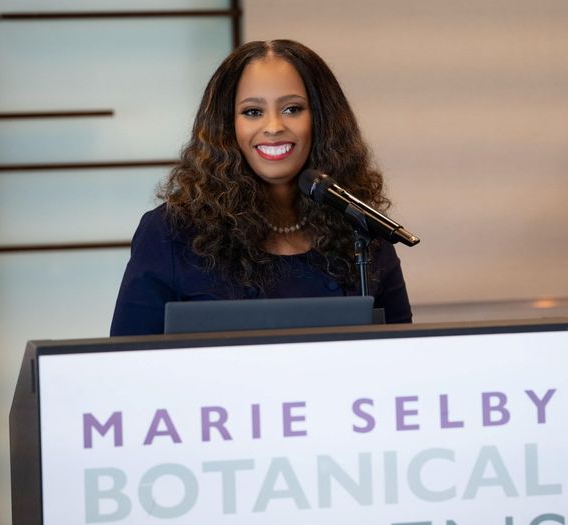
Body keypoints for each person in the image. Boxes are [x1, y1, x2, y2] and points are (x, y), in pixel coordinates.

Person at [110, 40, 412, 336]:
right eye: (252, 112)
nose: (273, 127)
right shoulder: (169, 232)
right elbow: (126, 360)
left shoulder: (360, 226)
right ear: (227, 126)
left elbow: (403, 354)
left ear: (322, 121)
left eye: (292, 109)